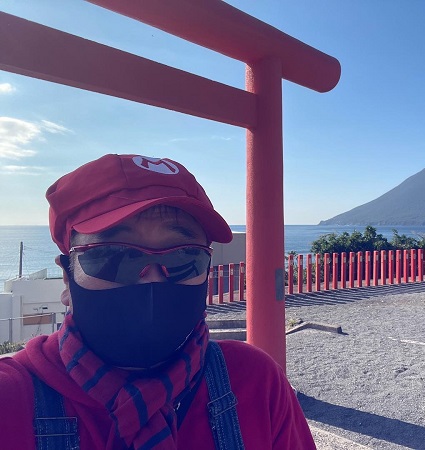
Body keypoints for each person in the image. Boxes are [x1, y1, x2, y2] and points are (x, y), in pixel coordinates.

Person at [0, 154, 316, 450]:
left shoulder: (255, 382)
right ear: (67, 278)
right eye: (114, 256)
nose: (151, 280)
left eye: (184, 257)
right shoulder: (11, 398)